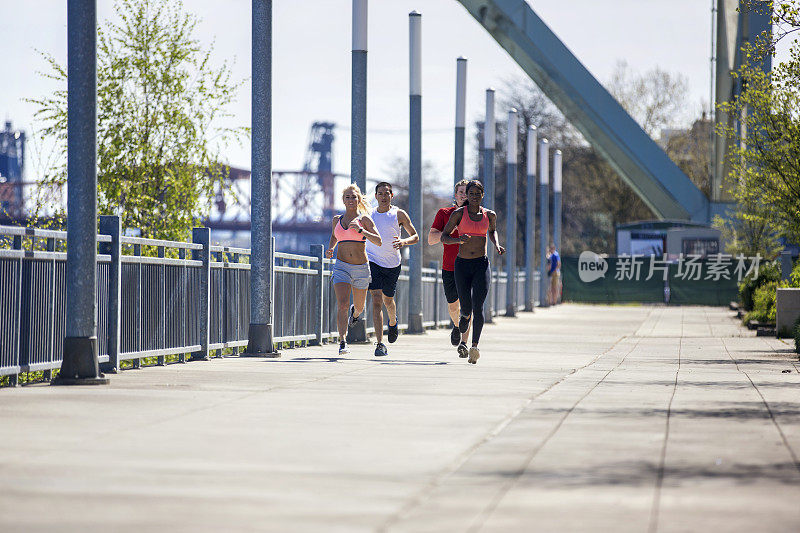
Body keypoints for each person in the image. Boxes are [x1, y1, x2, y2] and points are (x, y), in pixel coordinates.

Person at [440, 180, 505, 364]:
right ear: (466, 195)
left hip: (481, 265)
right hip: (461, 265)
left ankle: (474, 346)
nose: (474, 197)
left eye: (478, 193)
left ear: (482, 195)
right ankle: (464, 316)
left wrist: (497, 245)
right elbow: (444, 236)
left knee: (479, 306)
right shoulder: (459, 214)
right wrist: (458, 240)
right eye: (471, 194)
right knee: (466, 307)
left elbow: (492, 232)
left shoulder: (489, 215)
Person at [326, 184, 383, 355]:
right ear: (343, 200)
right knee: (342, 304)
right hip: (341, 266)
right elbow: (334, 236)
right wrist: (331, 248)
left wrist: (361, 230)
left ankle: (355, 313)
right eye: (348, 197)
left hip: (360, 268)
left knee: (359, 307)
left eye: (354, 197)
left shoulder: (365, 220)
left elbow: (379, 241)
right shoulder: (337, 219)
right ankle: (343, 341)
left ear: (359, 199)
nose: (351, 200)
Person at [366, 182, 419, 357]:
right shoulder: (370, 214)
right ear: (375, 196)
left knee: (388, 300)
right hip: (373, 260)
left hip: (392, 264)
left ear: (391, 195)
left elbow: (415, 236)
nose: (383, 196)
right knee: (376, 299)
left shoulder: (398, 214)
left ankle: (393, 321)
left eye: (386, 193)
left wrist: (404, 242)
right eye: (380, 193)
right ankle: (380, 343)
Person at [428, 179, 472, 358]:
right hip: (449, 267)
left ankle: (464, 343)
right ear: (455, 195)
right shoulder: (445, 213)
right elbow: (431, 239)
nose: (463, 195)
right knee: (454, 307)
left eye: (466, 192)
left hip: (470, 265)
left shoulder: (476, 215)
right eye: (460, 192)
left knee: (468, 307)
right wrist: (450, 231)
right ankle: (455, 325)